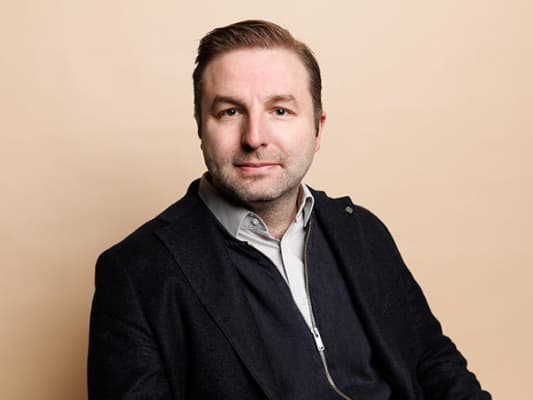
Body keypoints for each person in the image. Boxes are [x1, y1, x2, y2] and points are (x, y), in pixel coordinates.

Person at [88, 20, 491, 400]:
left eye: (280, 110)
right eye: (229, 111)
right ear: (200, 127)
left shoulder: (364, 233)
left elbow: (433, 362)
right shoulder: (135, 274)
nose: (254, 138)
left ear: (318, 128)